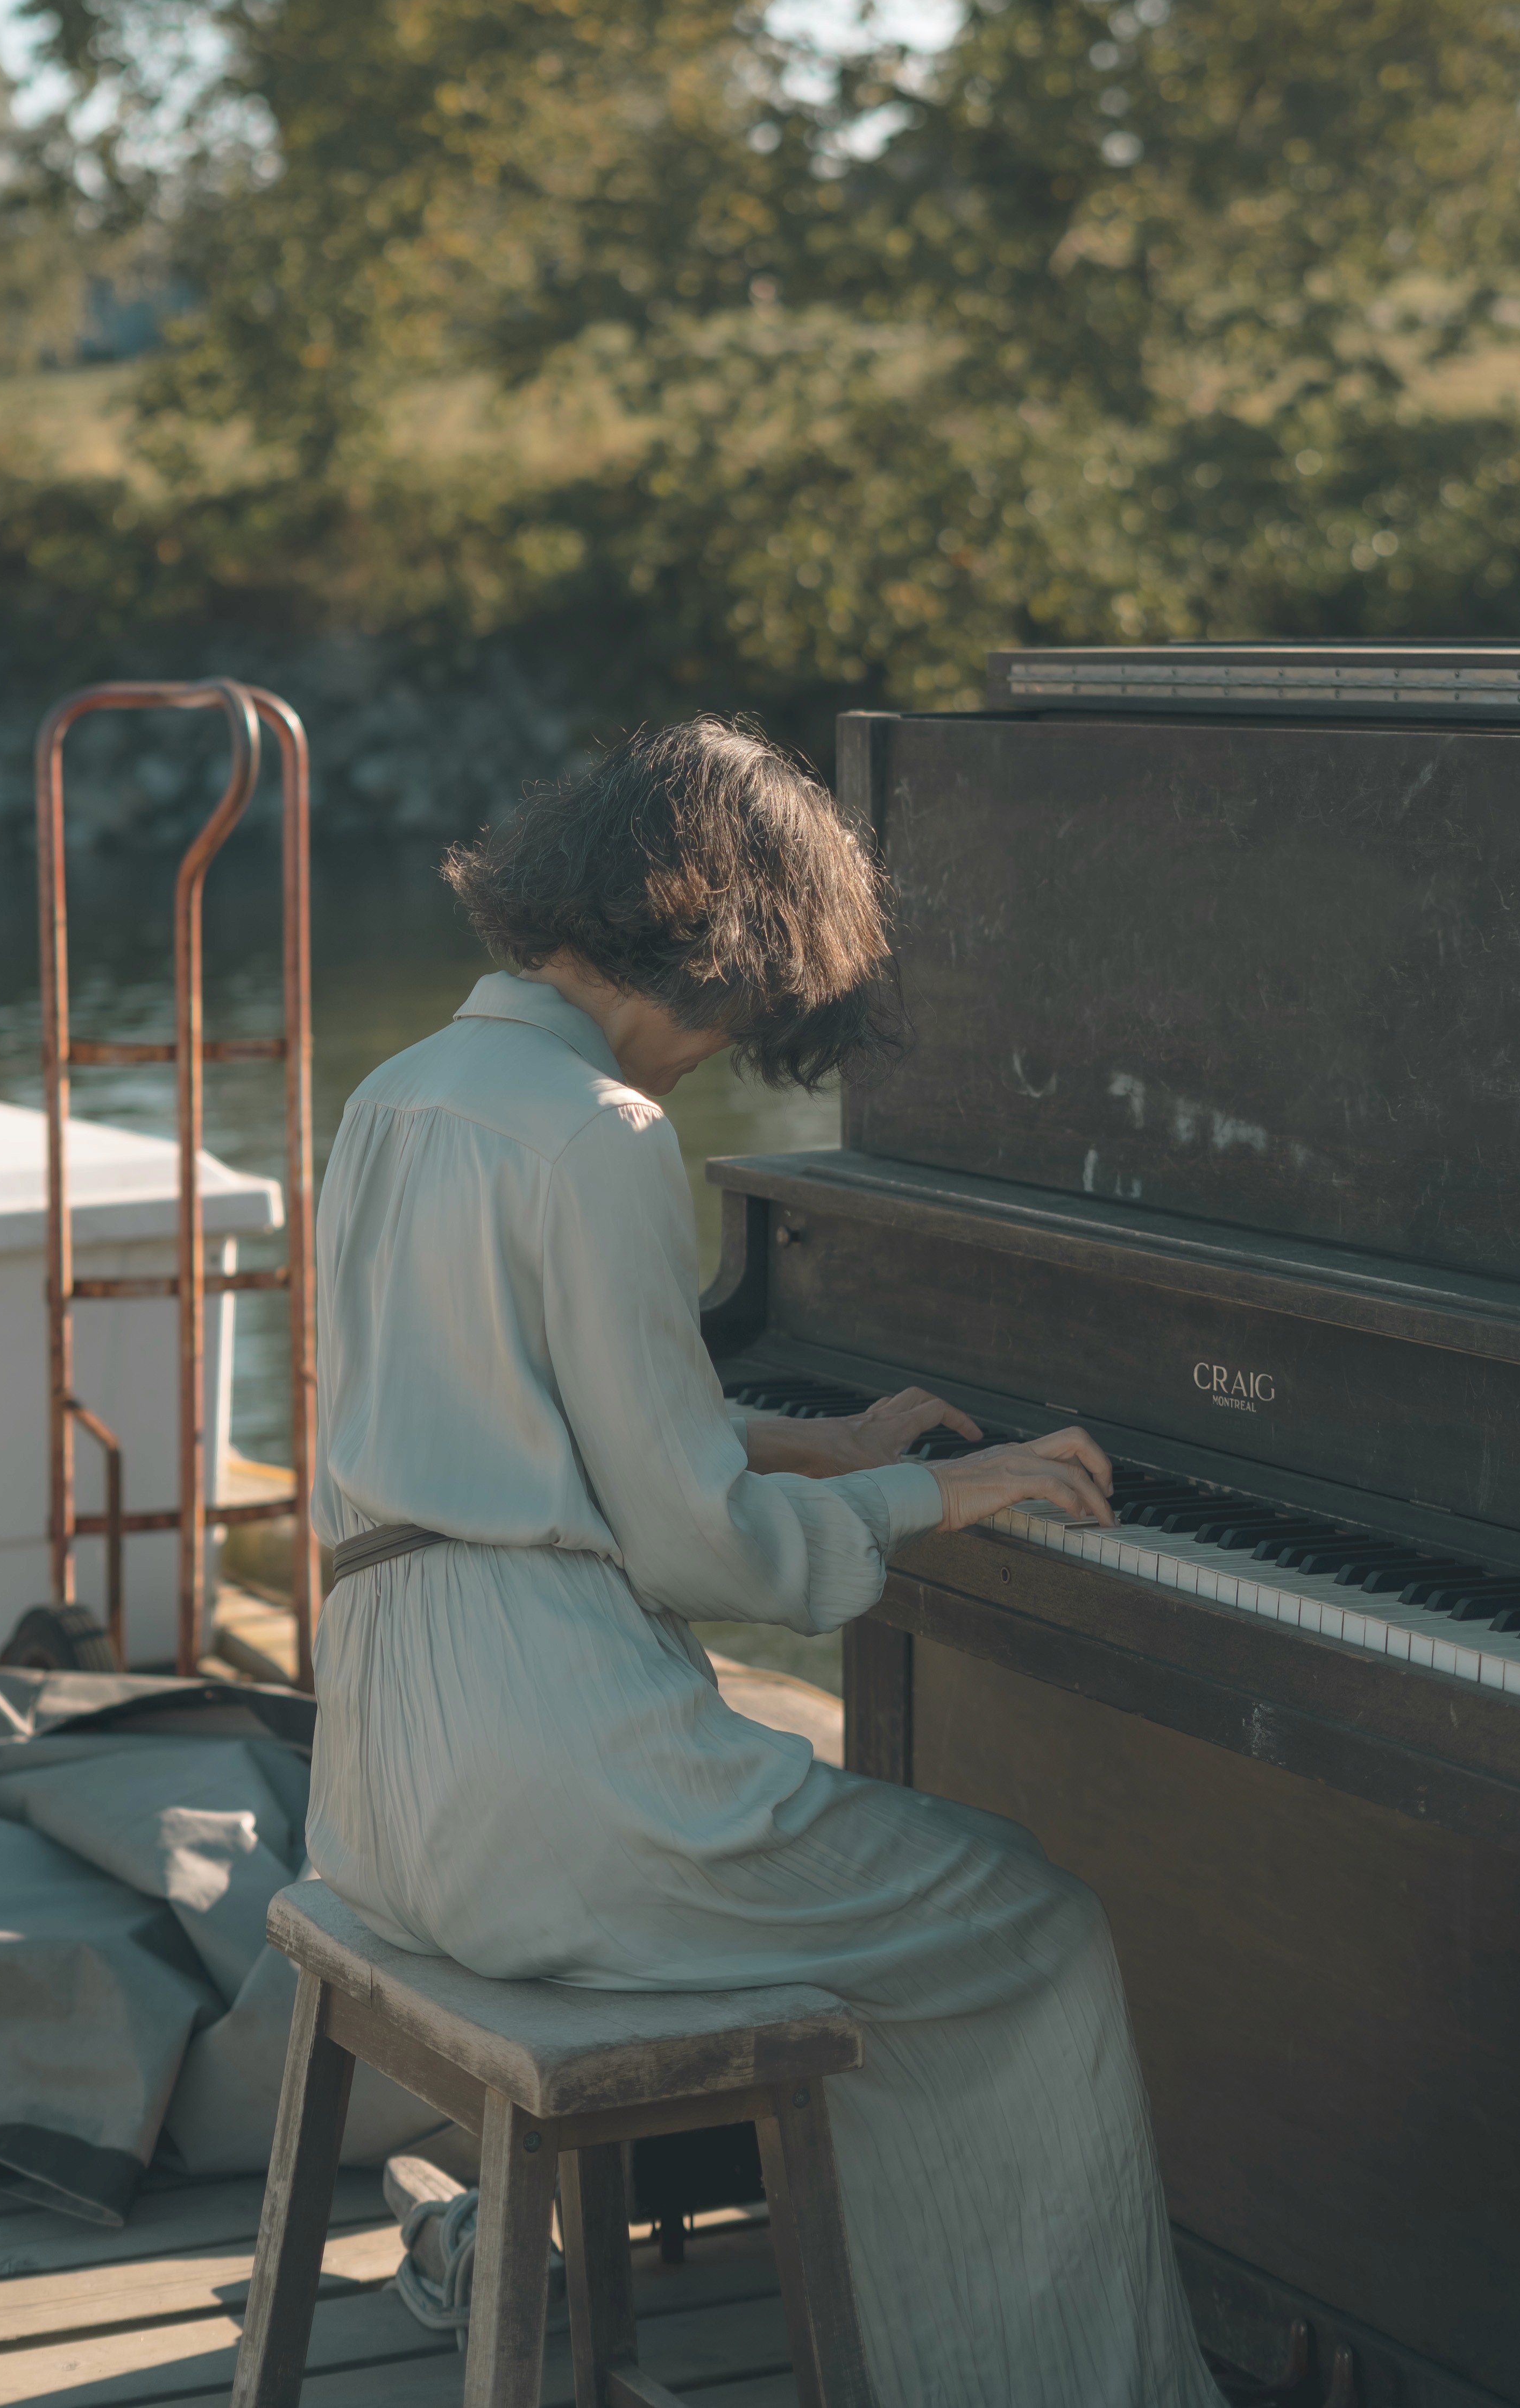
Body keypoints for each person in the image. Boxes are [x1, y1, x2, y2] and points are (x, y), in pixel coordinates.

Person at [306, 718, 1221, 2407]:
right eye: (751, 1009)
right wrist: (946, 1496)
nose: (727, 1055)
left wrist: (813, 1444)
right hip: (563, 1798)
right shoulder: (596, 1132)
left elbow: (503, 1424)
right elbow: (691, 1543)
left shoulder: (398, 1094)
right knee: (1025, 1918)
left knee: (917, 1904)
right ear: (722, 940)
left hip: (383, 1795)